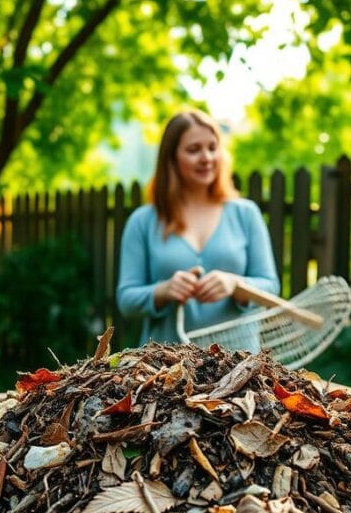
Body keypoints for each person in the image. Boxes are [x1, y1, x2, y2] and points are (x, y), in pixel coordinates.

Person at [116, 109, 280, 346]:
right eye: (194, 150)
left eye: (212, 148)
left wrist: (235, 284)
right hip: (165, 369)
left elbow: (270, 286)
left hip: (237, 368)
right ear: (171, 158)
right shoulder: (142, 221)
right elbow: (126, 300)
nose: (206, 157)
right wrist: (164, 290)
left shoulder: (246, 214)